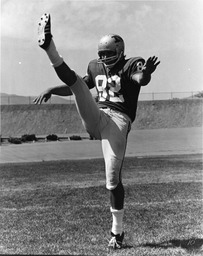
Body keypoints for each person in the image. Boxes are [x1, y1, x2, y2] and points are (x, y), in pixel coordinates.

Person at [34, 13, 160, 250]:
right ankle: (49, 47)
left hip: (118, 120)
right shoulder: (95, 67)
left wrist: (147, 73)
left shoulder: (131, 63)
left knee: (112, 182)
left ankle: (117, 232)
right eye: (101, 54)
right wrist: (52, 88)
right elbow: (79, 85)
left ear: (120, 52)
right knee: (78, 85)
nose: (103, 58)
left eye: (108, 54)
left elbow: (139, 78)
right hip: (97, 115)